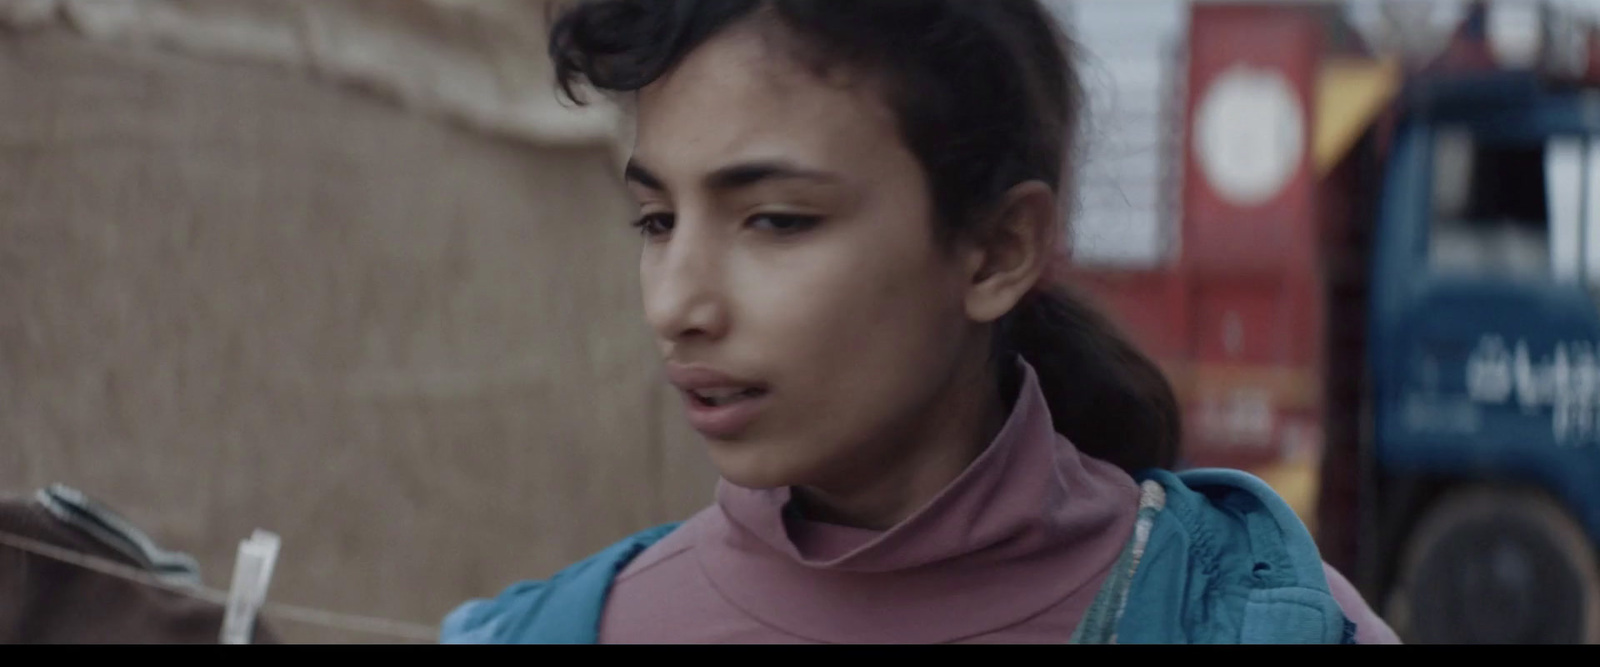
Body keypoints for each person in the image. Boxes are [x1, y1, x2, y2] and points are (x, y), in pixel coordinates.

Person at [441, 0, 1400, 644]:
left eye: (775, 219)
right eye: (657, 220)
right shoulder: (568, 628)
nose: (677, 304)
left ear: (996, 249)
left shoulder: (1247, 618)